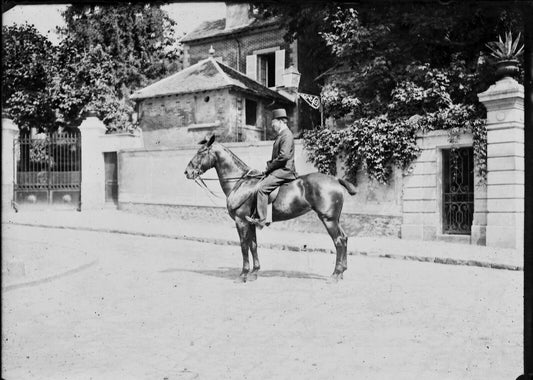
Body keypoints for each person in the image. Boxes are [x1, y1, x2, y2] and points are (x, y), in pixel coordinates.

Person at [246, 108, 297, 229]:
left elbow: (283, 156)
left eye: (273, 122)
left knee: (262, 188)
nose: (272, 125)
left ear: (280, 121)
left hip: (285, 170)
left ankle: (261, 220)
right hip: (280, 169)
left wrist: (270, 167)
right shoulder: (282, 135)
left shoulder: (287, 135)